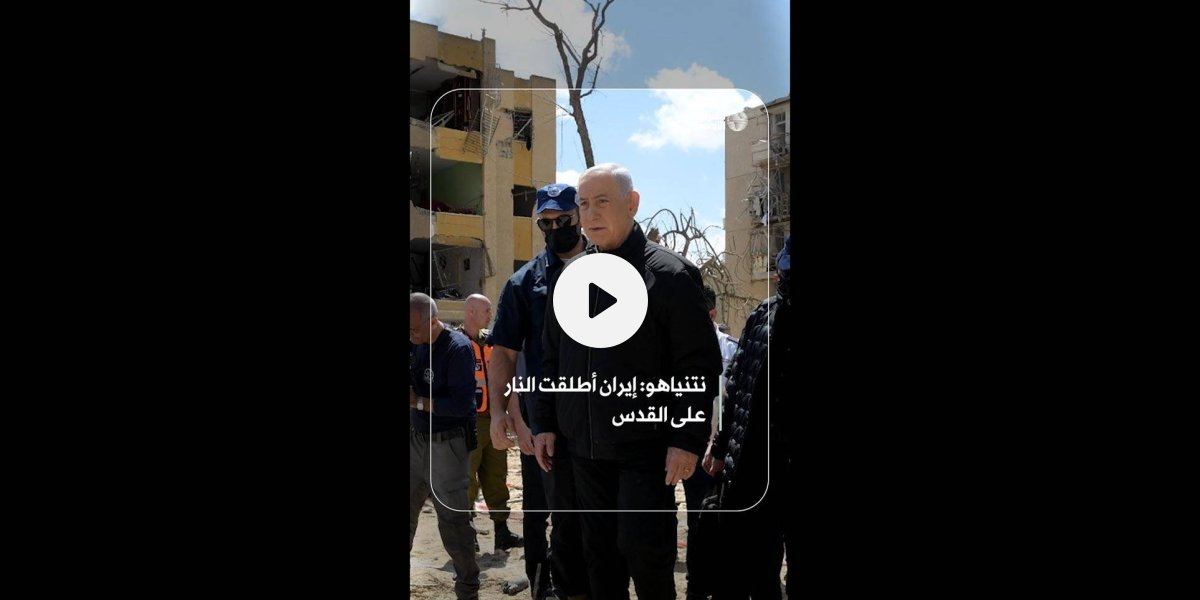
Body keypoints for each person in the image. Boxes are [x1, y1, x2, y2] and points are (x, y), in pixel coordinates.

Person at [536, 163, 723, 599]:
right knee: (599, 561)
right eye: (584, 204)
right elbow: (550, 359)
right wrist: (544, 422)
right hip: (585, 452)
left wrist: (687, 439)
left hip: (646, 451)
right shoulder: (572, 278)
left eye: (602, 202)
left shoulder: (670, 276)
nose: (591, 214)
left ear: (632, 203)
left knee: (646, 556)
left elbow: (698, 365)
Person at [488, 183, 590, 600]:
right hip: (541, 420)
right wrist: (501, 412)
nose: (554, 229)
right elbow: (505, 354)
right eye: (545, 223)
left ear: (578, 217)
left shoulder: (610, 269)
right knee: (541, 512)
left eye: (562, 220)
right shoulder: (524, 283)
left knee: (594, 515)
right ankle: (541, 586)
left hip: (599, 417)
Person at [701, 235, 793, 600]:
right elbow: (734, 389)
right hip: (754, 471)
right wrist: (719, 446)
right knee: (753, 569)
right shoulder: (761, 317)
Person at [409, 292, 481, 600]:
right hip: (416, 441)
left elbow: (462, 405)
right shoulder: (415, 343)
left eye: (414, 329)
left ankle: (468, 589)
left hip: (448, 444)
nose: (410, 335)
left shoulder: (458, 348)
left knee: (453, 524)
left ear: (433, 322)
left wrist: (419, 402)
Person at [680, 285, 741, 599]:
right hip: (691, 448)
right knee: (697, 519)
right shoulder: (678, 352)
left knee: (725, 520)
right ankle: (697, 584)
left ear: (712, 314)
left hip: (726, 451)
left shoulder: (732, 350)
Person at [456, 293, 523, 553]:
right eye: (486, 310)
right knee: (467, 479)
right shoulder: (454, 342)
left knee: (497, 475)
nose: (490, 315)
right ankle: (466, 533)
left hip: (493, 418)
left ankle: (502, 532)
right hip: (467, 421)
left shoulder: (492, 341)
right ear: (471, 312)